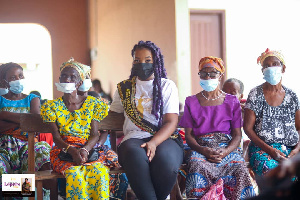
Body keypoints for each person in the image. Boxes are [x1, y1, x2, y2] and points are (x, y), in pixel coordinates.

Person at [40, 58, 127, 200]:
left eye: (72, 77)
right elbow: (56, 137)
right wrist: (72, 150)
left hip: (88, 148)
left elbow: (94, 134)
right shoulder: (51, 107)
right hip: (64, 151)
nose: (67, 79)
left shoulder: (92, 104)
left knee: (99, 173)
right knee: (75, 175)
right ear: (59, 79)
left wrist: (84, 150)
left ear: (80, 82)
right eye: (64, 76)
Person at [109, 40, 183, 200]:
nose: (142, 64)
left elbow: (171, 121)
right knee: (135, 158)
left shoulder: (167, 86)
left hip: (165, 138)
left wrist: (154, 143)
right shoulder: (124, 88)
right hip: (133, 138)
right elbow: (111, 111)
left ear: (156, 61)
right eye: (137, 60)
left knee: (167, 162)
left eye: (148, 60)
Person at [179, 56, 255, 199]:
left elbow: (237, 134)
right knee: (197, 166)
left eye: (213, 73)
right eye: (204, 73)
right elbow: (188, 135)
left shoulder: (232, 101)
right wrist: (203, 150)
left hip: (225, 146)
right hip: (200, 147)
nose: (208, 77)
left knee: (239, 168)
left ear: (220, 75)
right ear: (199, 75)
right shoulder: (191, 101)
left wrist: (226, 151)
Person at [244, 48, 300, 177]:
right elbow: (247, 128)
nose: (270, 68)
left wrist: (296, 150)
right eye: (266, 66)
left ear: (283, 68)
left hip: (291, 149)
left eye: (275, 64)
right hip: (263, 149)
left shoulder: (292, 95)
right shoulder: (255, 94)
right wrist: (270, 150)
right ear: (262, 70)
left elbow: (299, 127)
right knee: (275, 173)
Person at [0, 62, 52, 198]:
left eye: (20, 76)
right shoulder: (0, 99)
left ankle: (28, 193)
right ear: (4, 81)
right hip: (4, 146)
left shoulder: (32, 99)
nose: (18, 80)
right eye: (13, 77)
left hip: (28, 144)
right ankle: (25, 193)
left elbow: (35, 122)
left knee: (43, 155)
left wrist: (5, 115)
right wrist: (24, 122)